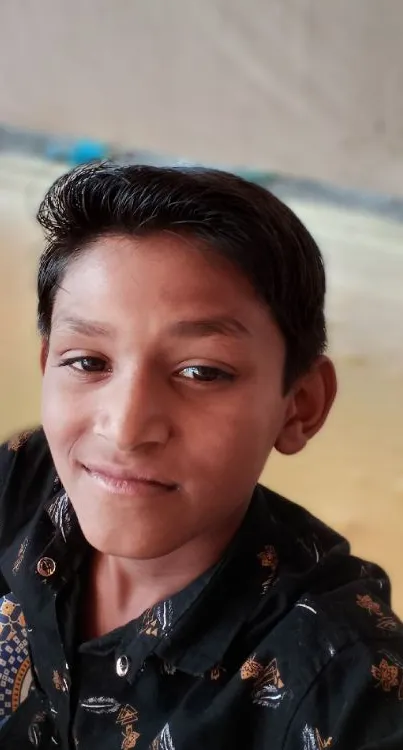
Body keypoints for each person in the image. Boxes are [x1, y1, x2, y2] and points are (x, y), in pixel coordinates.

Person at [0, 164, 401, 749]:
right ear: (47, 367)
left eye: (201, 371)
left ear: (300, 406)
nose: (127, 428)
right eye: (87, 361)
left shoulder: (346, 686)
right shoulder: (24, 479)